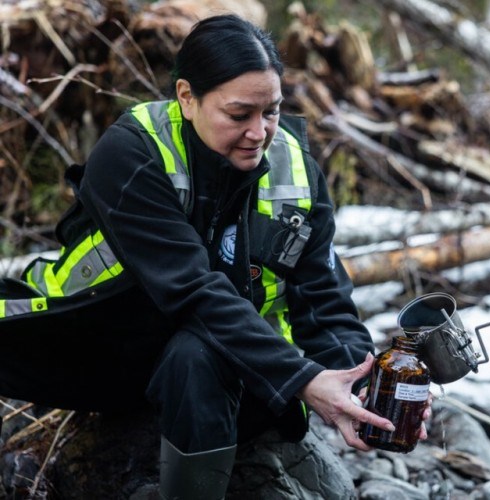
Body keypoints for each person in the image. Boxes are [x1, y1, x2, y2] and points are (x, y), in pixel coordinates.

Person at [0, 13, 430, 499]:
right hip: (95, 345)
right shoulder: (131, 153)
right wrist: (304, 378)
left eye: (271, 111)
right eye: (239, 114)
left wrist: (360, 388)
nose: (260, 132)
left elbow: (325, 302)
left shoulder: (296, 169)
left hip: (216, 361)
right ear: (187, 97)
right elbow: (191, 291)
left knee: (197, 355)